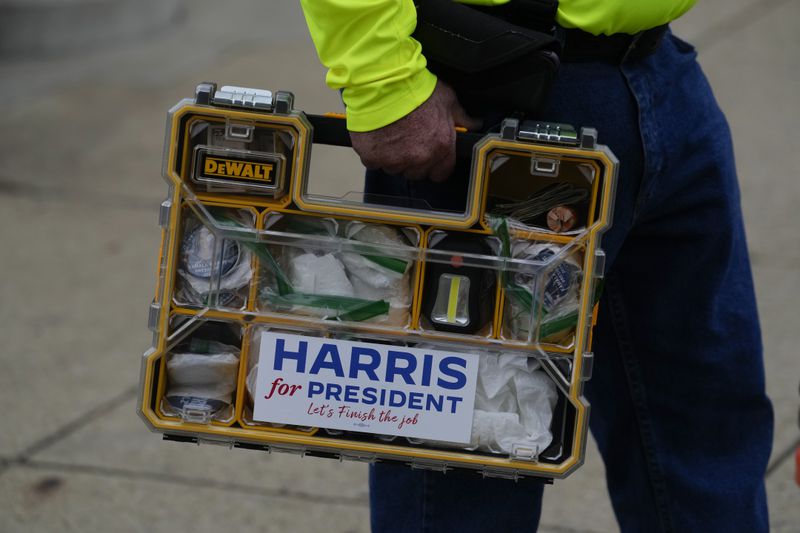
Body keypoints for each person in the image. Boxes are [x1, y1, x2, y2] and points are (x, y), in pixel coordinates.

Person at [298, 1, 775, 531]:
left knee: (704, 433)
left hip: (660, 70)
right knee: (471, 455)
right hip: (497, 92)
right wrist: (383, 78)